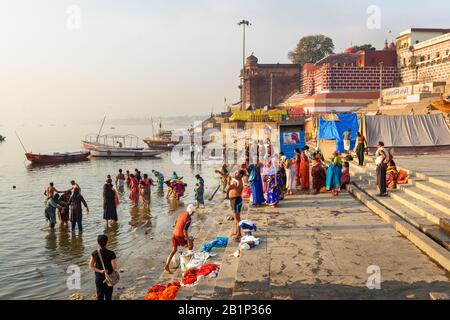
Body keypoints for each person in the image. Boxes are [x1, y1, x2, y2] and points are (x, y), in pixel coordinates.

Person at [164, 204, 196, 273]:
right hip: (179, 235)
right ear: (192, 212)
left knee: (174, 250)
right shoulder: (188, 218)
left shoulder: (182, 214)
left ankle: (167, 265)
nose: (193, 214)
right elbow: (185, 230)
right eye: (193, 212)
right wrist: (188, 240)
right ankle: (189, 263)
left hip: (174, 234)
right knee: (191, 244)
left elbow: (175, 223)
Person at [89, 235, 118, 300]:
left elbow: (91, 267)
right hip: (109, 277)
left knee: (99, 296)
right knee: (108, 296)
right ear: (107, 242)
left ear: (98, 243)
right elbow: (114, 267)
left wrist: (100, 271)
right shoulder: (111, 253)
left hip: (99, 277)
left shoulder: (95, 253)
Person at [228, 170, 244, 242]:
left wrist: (228, 181)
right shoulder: (236, 180)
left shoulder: (238, 182)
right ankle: (236, 231)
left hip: (236, 200)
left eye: (237, 173)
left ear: (240, 175)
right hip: (233, 200)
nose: (235, 173)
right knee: (235, 217)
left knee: (237, 218)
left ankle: (239, 234)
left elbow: (230, 187)